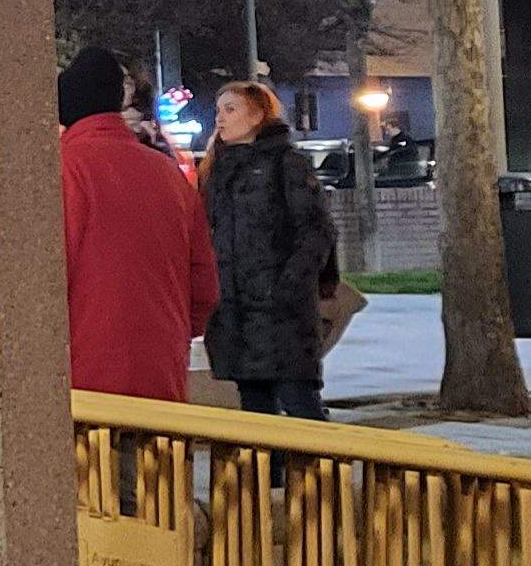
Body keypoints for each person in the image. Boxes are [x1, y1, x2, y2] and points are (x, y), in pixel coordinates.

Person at [58, 46, 217, 404]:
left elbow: (48, 280)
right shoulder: (167, 173)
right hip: (161, 368)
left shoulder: (62, 169)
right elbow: (204, 282)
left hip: (85, 375)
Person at [202, 82, 339, 420]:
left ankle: (318, 458)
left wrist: (287, 288)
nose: (220, 118)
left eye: (230, 109)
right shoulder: (217, 171)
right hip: (235, 315)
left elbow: (316, 230)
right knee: (255, 411)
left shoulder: (286, 164)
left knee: (300, 403)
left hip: (281, 315)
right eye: (218, 110)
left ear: (257, 116)